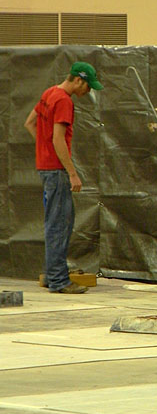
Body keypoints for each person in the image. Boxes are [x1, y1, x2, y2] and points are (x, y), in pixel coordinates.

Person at [24, 62, 104, 294]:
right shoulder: (64, 101)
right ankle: (59, 280)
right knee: (60, 223)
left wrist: (44, 148)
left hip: (45, 167)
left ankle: (52, 274)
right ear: (78, 80)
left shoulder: (49, 93)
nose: (87, 92)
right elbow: (59, 138)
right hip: (57, 171)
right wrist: (72, 172)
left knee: (55, 221)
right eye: (88, 87)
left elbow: (29, 123)